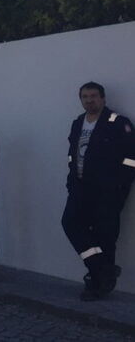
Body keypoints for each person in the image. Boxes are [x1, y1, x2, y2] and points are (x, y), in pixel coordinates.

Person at [61, 82, 135, 301]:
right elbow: (72, 156)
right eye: (85, 96)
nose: (89, 100)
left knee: (105, 234)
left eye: (93, 96)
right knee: (70, 223)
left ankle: (98, 283)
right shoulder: (77, 123)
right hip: (80, 187)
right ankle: (102, 269)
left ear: (103, 98)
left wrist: (118, 186)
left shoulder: (118, 123)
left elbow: (131, 158)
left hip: (108, 191)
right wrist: (71, 181)